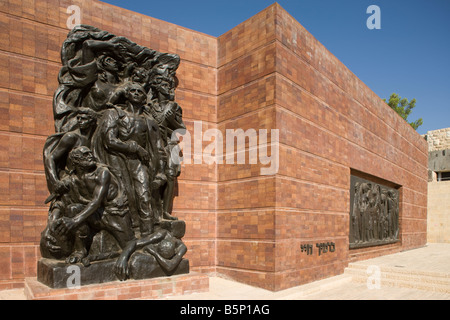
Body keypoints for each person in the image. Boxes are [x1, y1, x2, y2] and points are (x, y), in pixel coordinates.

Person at [92, 82, 167, 237]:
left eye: (140, 91)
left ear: (145, 98)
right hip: (115, 161)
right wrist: (134, 147)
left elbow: (158, 148)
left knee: (143, 195)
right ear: (126, 95)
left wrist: (160, 173)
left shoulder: (149, 121)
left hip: (139, 163)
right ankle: (129, 236)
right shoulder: (114, 113)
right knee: (125, 198)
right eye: (132, 90)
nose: (136, 93)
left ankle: (148, 234)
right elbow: (109, 139)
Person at [52, 146, 134, 269]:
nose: (90, 156)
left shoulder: (102, 173)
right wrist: (54, 220)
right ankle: (80, 251)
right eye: (85, 155)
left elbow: (96, 201)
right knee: (73, 209)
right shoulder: (72, 179)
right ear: (76, 161)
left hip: (115, 213)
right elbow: (61, 201)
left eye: (90, 153)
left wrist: (74, 221)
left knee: (128, 243)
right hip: (96, 214)